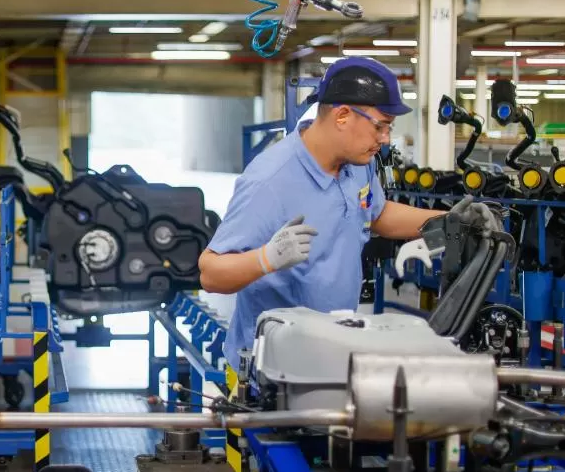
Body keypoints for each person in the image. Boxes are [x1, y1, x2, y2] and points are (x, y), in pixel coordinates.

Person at [199, 57, 499, 367]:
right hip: (273, 365)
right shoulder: (270, 181)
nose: (385, 138)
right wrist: (265, 259)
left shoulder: (358, 164)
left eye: (389, 128)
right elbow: (210, 273)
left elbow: (377, 214)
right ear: (342, 116)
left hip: (334, 347)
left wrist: (449, 221)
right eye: (380, 126)